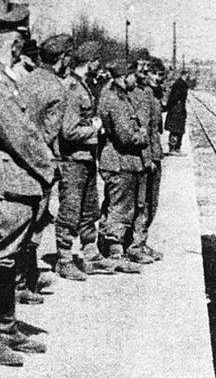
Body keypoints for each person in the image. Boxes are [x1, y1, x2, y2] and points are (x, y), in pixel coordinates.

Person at [0, 5, 53, 366]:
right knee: (1, 254)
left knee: (11, 254)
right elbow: (18, 134)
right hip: (5, 173)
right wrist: (48, 167)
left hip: (16, 175)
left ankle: (5, 323)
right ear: (15, 43)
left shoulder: (1, 75)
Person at [14, 33, 73, 304]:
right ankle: (21, 283)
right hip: (40, 161)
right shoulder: (56, 88)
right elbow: (50, 132)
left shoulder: (27, 78)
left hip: (17, 156)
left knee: (21, 220)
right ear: (62, 59)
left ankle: (27, 276)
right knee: (36, 221)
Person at [54, 41, 113, 280]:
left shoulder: (82, 86)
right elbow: (68, 131)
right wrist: (94, 128)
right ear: (91, 62)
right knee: (71, 209)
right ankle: (64, 259)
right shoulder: (71, 88)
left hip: (86, 158)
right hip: (73, 159)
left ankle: (91, 254)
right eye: (97, 61)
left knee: (90, 209)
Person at [97, 60, 149, 273]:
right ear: (123, 76)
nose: (135, 80)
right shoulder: (114, 99)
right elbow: (125, 136)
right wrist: (142, 136)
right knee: (120, 209)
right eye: (132, 76)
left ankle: (112, 249)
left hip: (123, 161)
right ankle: (115, 254)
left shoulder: (118, 96)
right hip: (119, 161)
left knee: (117, 206)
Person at [128, 59, 166, 261]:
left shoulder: (153, 94)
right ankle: (136, 245)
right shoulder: (142, 95)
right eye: (156, 74)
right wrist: (148, 158)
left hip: (154, 154)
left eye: (161, 76)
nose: (159, 79)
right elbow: (144, 130)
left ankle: (141, 242)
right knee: (143, 203)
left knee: (151, 203)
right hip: (147, 158)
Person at [164, 70, 190, 155]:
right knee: (178, 130)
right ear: (184, 75)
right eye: (187, 76)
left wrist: (168, 107)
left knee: (174, 130)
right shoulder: (182, 84)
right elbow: (176, 97)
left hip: (175, 109)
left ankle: (173, 148)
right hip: (178, 109)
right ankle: (176, 149)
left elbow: (172, 97)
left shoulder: (177, 83)